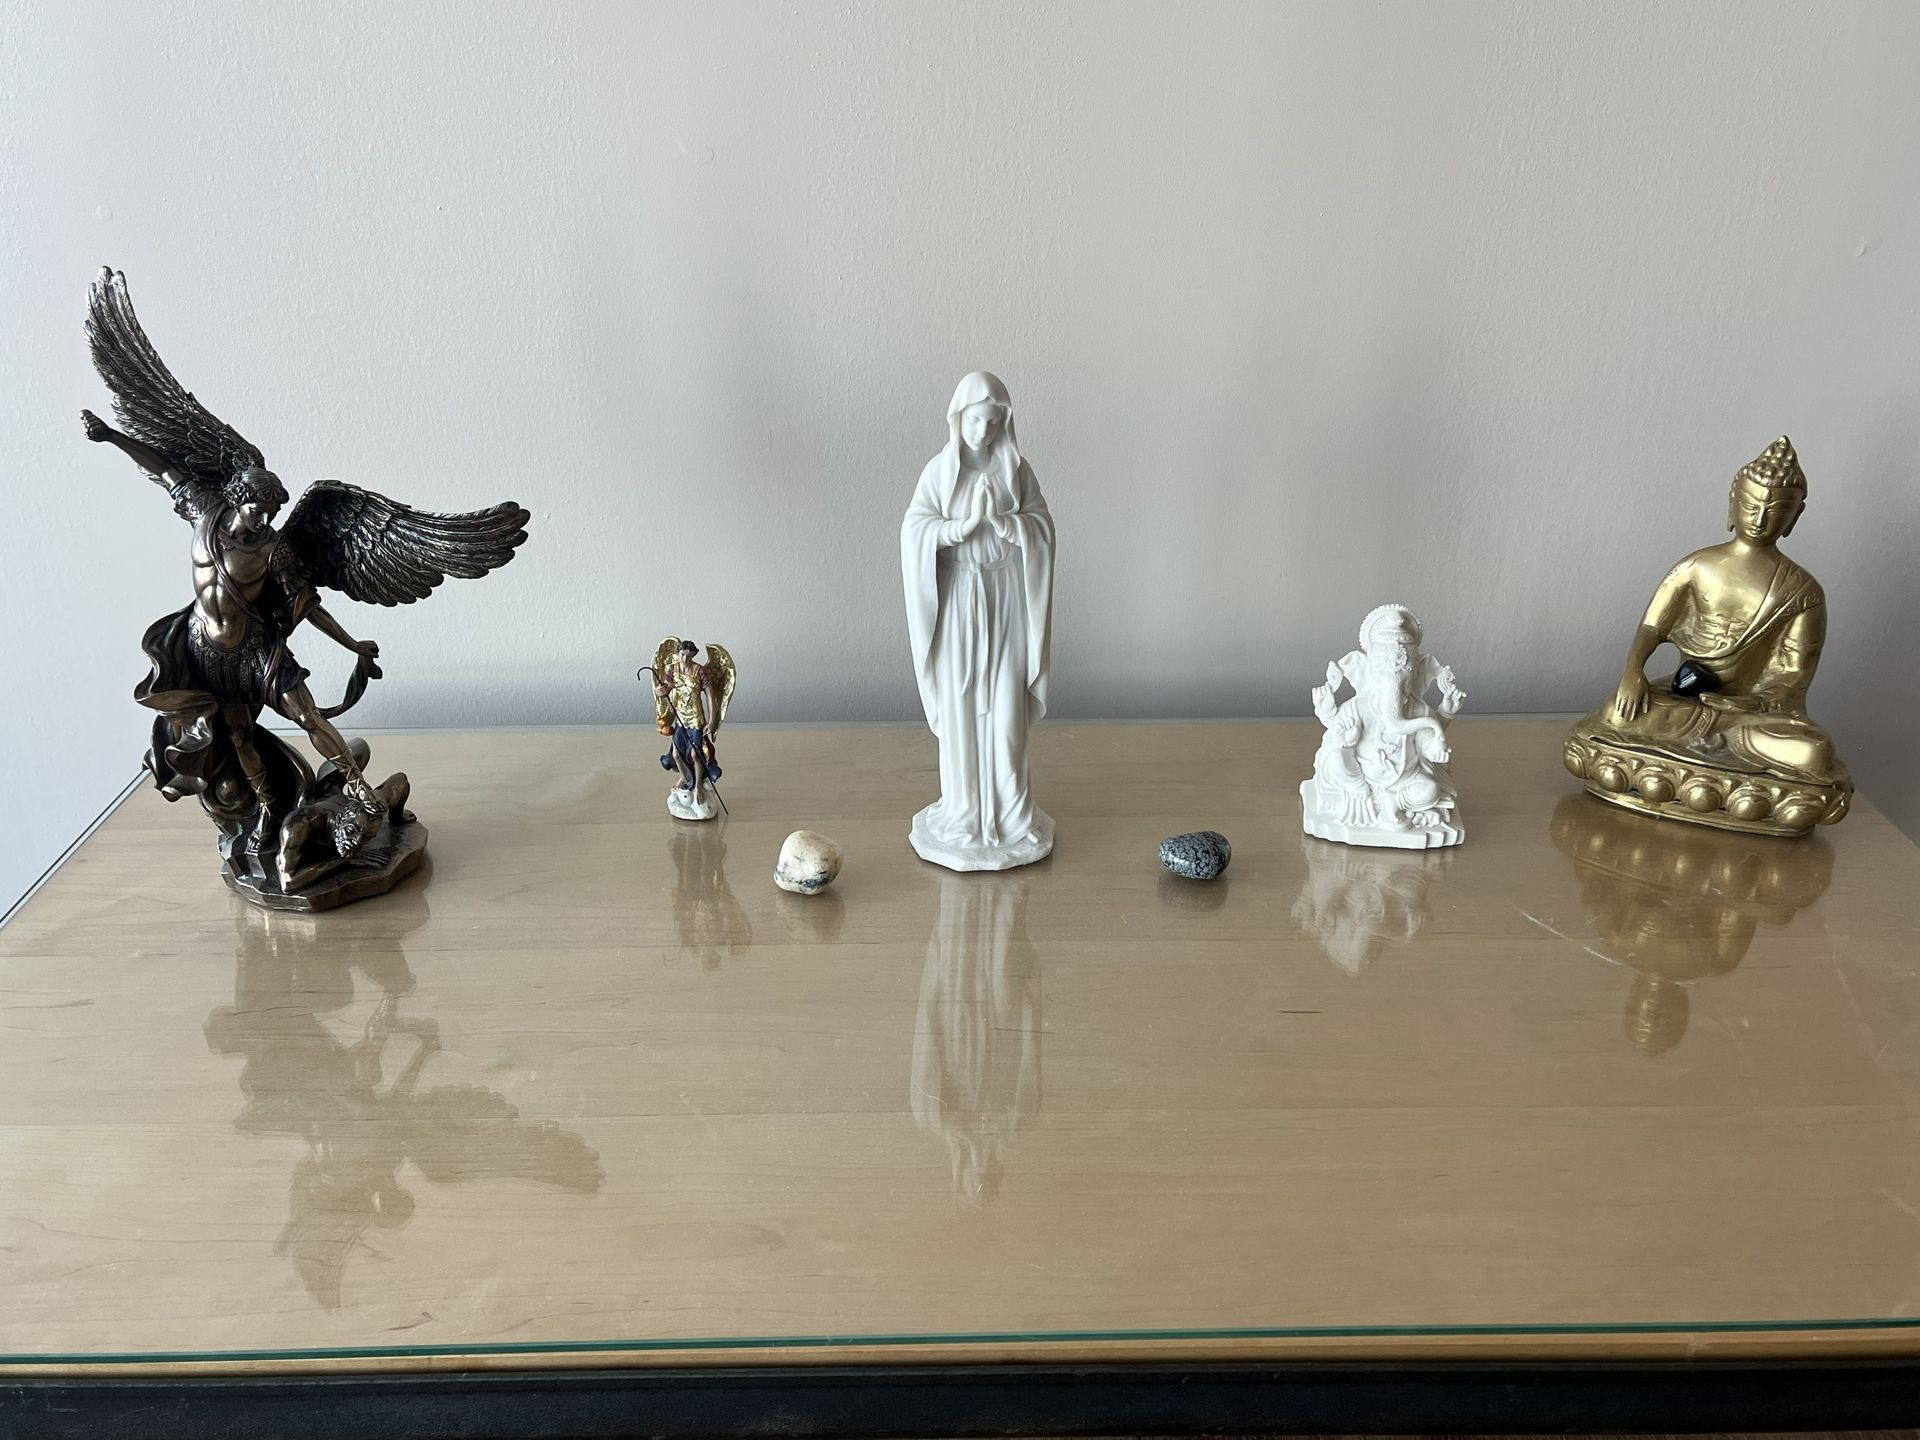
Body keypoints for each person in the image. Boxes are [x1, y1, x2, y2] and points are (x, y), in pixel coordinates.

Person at [900, 372, 1056, 870]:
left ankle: (1011, 814)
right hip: (960, 599)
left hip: (1005, 598)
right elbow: (914, 531)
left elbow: (1043, 527)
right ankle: (965, 811)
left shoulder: (1016, 470)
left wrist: (1010, 525)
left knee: (1005, 710)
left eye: (992, 423)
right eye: (975, 420)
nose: (982, 432)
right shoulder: (938, 473)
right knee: (964, 705)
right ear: (958, 417)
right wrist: (957, 529)